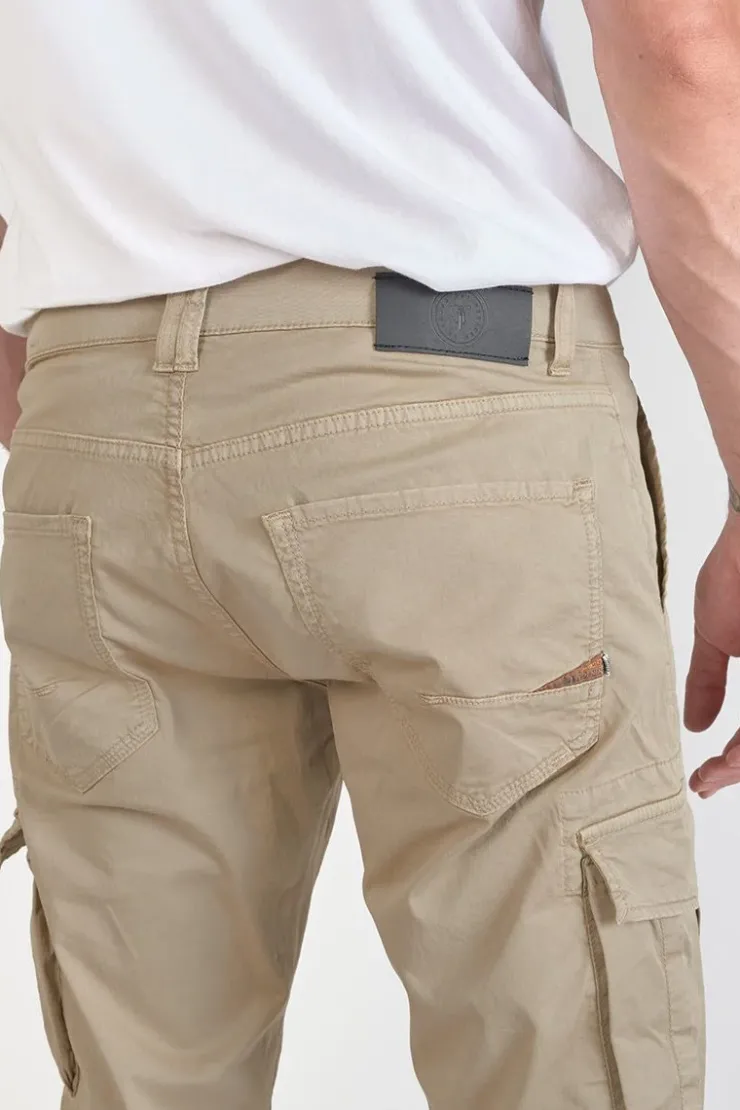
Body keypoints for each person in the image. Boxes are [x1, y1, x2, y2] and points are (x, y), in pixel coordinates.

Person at [0, 1, 733, 1106]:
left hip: (93, 412)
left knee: (140, 1078)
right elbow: (674, 39)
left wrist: (79, 390)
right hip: (456, 414)